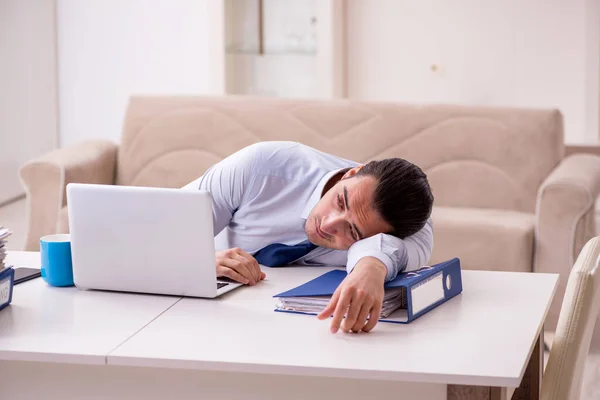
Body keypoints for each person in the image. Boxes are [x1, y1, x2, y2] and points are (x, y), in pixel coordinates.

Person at [183, 141, 434, 334]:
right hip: (194, 306)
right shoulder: (260, 168)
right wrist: (200, 260)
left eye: (353, 231)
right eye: (340, 201)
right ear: (350, 174)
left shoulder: (405, 227)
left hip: (294, 326)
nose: (329, 224)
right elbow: (155, 227)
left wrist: (372, 267)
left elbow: (416, 240)